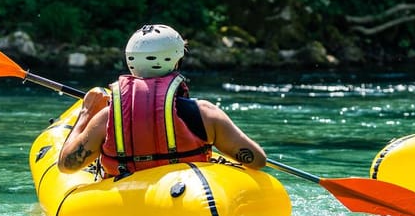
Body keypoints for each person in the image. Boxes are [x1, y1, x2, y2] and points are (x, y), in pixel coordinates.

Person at [58, 24, 266, 177]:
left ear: (131, 61)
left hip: (127, 205)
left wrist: (86, 113)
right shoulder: (205, 113)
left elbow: (67, 165)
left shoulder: (107, 118)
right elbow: (257, 160)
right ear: (177, 60)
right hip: (191, 201)